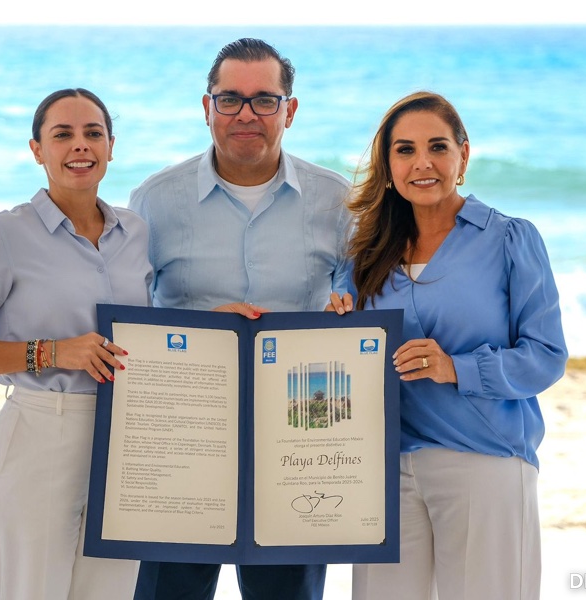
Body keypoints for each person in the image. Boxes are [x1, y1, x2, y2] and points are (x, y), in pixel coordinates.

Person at [128, 38, 351, 600]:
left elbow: (359, 304)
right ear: (207, 108)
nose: (246, 114)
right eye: (230, 99)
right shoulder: (154, 200)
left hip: (299, 437)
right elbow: (130, 318)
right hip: (183, 432)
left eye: (264, 100)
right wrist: (205, 332)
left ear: (289, 111)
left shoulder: (337, 200)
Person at [331, 91, 567, 600]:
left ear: (464, 155)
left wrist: (455, 368)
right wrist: (334, 328)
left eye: (437, 147)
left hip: (483, 460)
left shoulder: (509, 239)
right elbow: (341, 355)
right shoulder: (362, 256)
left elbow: (546, 356)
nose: (422, 163)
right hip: (383, 470)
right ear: (388, 165)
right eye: (405, 150)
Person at [0, 88, 150, 600]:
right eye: (62, 134)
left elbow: (152, 326)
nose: (80, 145)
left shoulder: (136, 232)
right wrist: (53, 351)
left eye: (93, 133)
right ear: (37, 150)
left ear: (111, 147)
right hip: (43, 431)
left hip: (129, 437)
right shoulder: (5, 235)